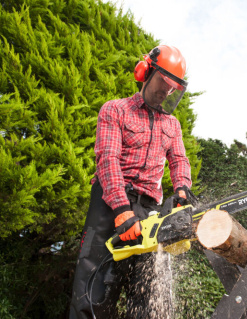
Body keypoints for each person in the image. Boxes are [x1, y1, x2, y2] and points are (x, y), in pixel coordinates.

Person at [69, 45, 195, 319]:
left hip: (150, 209)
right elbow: (107, 160)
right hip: (109, 205)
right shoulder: (116, 110)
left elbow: (179, 161)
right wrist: (121, 210)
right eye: (164, 81)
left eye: (173, 88)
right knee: (93, 289)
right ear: (146, 71)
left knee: (148, 295)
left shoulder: (172, 125)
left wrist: (183, 188)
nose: (167, 91)